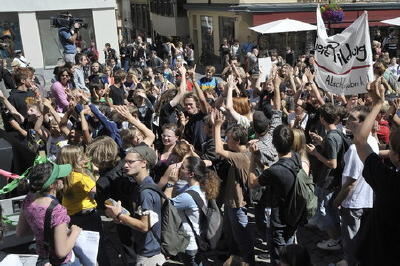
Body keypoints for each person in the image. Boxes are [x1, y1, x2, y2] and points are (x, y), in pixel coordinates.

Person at [352, 78, 400, 265]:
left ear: (394, 156)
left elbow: (360, 141)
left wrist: (377, 104)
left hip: (380, 254)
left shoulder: (388, 181)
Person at [332, 105, 378, 266]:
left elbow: (351, 183)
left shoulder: (354, 148)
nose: (348, 120)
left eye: (352, 118)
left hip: (354, 202)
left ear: (362, 123)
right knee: (362, 239)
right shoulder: (372, 141)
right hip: (368, 200)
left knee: (351, 240)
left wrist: (337, 201)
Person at [105, 146, 165, 266]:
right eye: (125, 161)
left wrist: (120, 215)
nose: (125, 165)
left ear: (144, 163)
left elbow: (144, 226)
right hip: (144, 251)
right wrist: (121, 218)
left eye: (130, 162)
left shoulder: (145, 192)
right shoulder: (140, 187)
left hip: (149, 256)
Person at [16, 162, 82, 266]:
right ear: (52, 185)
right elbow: (61, 252)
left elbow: (21, 232)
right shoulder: (57, 210)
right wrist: (75, 232)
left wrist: (41, 230)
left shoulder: (28, 200)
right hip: (62, 262)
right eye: (60, 177)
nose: (63, 179)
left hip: (43, 259)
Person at [213, 110, 255, 266]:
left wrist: (218, 126)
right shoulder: (240, 152)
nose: (226, 141)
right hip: (232, 203)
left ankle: (249, 263)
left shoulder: (242, 157)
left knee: (243, 240)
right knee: (232, 238)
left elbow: (218, 149)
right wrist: (214, 126)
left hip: (238, 205)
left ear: (237, 141)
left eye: (229, 139)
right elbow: (220, 145)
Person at [163, 156, 220, 266]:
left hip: (189, 244)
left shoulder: (188, 197)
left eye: (183, 167)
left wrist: (170, 183)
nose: (179, 169)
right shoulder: (201, 189)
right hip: (198, 240)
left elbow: (165, 206)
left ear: (191, 174)